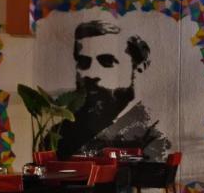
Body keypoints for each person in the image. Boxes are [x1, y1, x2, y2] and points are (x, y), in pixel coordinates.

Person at [56, 20, 170, 159]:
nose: (91, 74)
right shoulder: (61, 133)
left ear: (139, 68)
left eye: (107, 61)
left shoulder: (154, 133)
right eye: (83, 62)